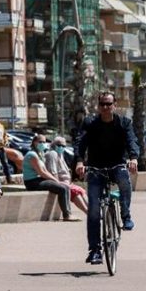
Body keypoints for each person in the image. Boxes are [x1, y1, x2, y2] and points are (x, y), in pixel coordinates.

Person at [75, 92, 139, 265]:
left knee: (124, 181)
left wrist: (133, 158)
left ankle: (125, 216)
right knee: (94, 210)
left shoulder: (124, 123)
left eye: (108, 104)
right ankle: (95, 250)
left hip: (117, 165)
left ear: (115, 105)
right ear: (98, 106)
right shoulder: (90, 123)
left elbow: (132, 141)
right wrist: (80, 162)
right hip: (96, 168)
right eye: (102, 104)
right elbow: (81, 143)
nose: (105, 107)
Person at [22, 134, 75, 220]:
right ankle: (67, 215)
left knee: (65, 186)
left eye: (44, 142)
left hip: (39, 180)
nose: (43, 143)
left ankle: (69, 213)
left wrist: (56, 180)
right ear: (35, 142)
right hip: (32, 182)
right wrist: (56, 181)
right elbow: (41, 172)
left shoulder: (39, 154)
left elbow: (45, 171)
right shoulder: (32, 155)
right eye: (40, 142)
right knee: (62, 188)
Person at [44, 136, 88, 215]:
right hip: (60, 182)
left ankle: (92, 211)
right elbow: (53, 171)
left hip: (67, 182)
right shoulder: (52, 154)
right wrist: (59, 183)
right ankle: (87, 211)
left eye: (63, 146)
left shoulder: (60, 154)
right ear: (54, 144)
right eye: (59, 145)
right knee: (75, 191)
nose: (61, 147)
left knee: (81, 190)